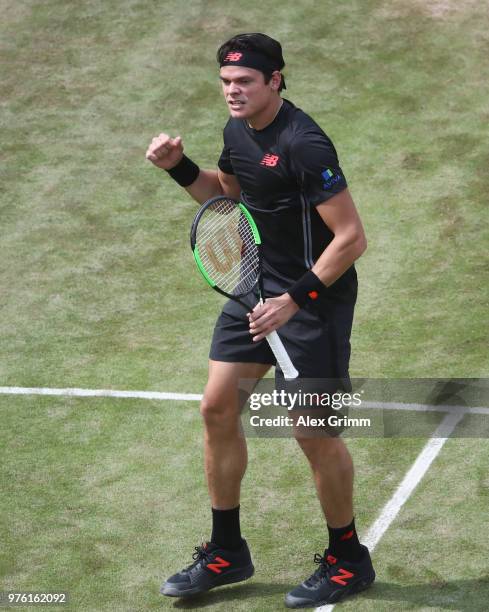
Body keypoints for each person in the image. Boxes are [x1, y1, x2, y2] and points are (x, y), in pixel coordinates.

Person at [146, 32, 375, 608]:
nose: (233, 92)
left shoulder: (305, 143)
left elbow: (350, 238)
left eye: (245, 82)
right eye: (226, 83)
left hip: (311, 301)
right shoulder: (235, 132)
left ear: (276, 80)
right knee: (217, 406)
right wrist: (179, 169)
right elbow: (223, 199)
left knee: (312, 431)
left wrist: (293, 301)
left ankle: (348, 559)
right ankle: (227, 553)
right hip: (256, 288)